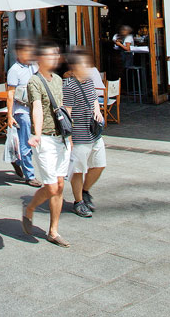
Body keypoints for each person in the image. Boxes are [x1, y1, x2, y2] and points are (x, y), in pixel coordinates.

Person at [23, 41, 72, 247]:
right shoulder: (34, 81)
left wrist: (69, 133)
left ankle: (53, 231)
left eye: (56, 54)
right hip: (45, 138)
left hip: (61, 137)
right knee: (51, 187)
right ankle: (30, 208)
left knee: (59, 185)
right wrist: (36, 133)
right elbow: (37, 108)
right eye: (51, 54)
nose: (55, 58)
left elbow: (63, 107)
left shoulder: (58, 79)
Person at [63, 50, 106, 217]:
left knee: (99, 164)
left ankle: (85, 190)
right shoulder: (69, 86)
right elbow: (67, 113)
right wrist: (69, 138)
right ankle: (78, 201)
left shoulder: (88, 81)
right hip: (78, 134)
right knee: (78, 170)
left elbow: (93, 98)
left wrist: (98, 111)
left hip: (93, 132)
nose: (87, 67)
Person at [6, 39, 40, 186]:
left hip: (34, 109)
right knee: (25, 142)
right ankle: (30, 175)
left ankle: (17, 160)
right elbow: (10, 94)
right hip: (21, 110)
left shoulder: (34, 67)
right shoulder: (14, 70)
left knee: (33, 140)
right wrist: (9, 115)